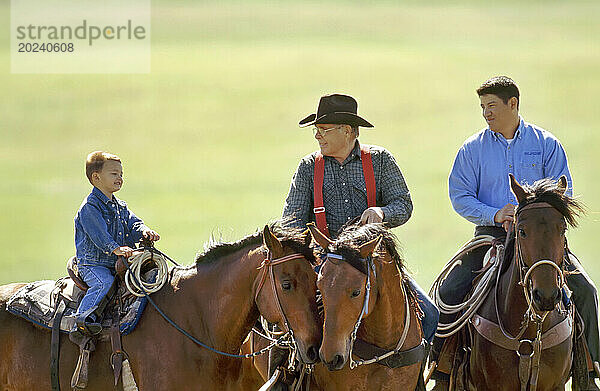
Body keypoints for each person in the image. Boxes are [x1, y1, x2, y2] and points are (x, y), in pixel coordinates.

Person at [431, 76, 599, 389]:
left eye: (491, 106)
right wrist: (494, 213)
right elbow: (460, 195)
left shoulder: (546, 144)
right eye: (482, 107)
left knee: (586, 292)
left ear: (513, 104)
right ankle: (443, 370)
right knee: (448, 290)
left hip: (541, 238)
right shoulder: (472, 149)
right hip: (490, 235)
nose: (486, 113)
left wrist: (531, 212)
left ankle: (587, 371)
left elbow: (564, 191)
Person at [281, 93, 439, 373]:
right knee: (290, 331)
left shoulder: (380, 160)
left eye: (323, 130)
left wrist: (381, 214)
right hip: (326, 271)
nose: (317, 136)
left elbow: (404, 205)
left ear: (348, 131)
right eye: (316, 130)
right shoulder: (308, 168)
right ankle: (288, 378)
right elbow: (291, 222)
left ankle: (416, 379)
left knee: (429, 315)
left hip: (375, 265)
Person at [71, 151, 160, 336]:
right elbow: (99, 235)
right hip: (94, 264)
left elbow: (133, 223)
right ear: (96, 177)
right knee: (104, 282)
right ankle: (82, 320)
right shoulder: (90, 207)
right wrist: (116, 248)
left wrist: (144, 231)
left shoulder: (120, 206)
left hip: (117, 262)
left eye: (121, 174)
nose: (119, 178)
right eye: (114, 174)